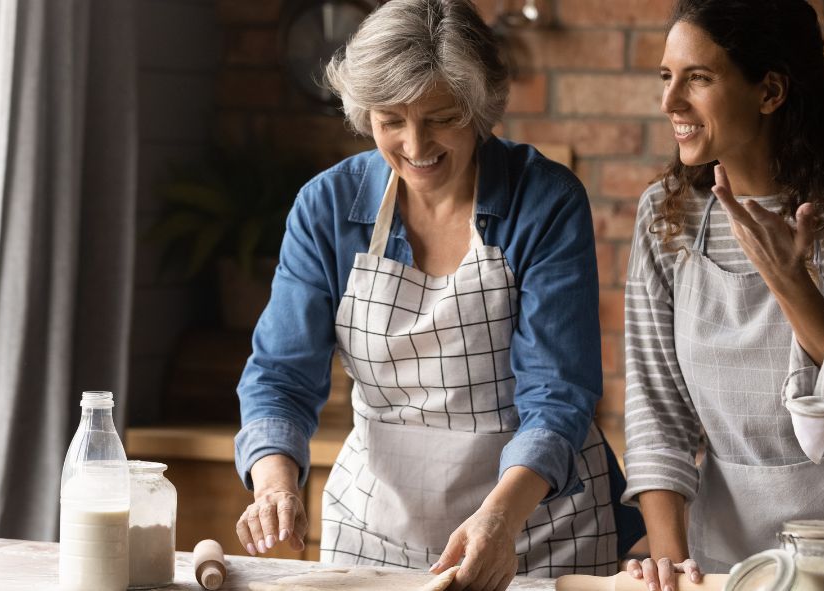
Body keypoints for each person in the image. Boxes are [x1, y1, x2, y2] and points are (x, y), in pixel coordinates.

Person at [232, 1, 643, 589]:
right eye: (390, 119)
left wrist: (500, 519)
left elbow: (557, 394)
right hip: (374, 527)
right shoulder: (327, 208)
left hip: (535, 527)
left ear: (479, 109)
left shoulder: (544, 201)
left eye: (442, 117)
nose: (415, 143)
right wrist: (275, 484)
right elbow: (279, 376)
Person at [621, 0, 824, 588]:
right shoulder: (667, 215)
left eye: (700, 78)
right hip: (720, 554)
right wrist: (671, 565)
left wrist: (791, 283)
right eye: (667, 76)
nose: (670, 102)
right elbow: (655, 409)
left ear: (769, 91)